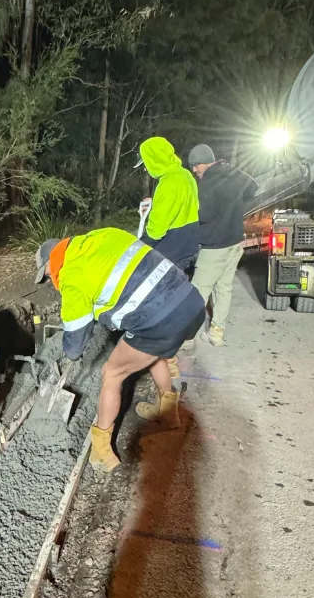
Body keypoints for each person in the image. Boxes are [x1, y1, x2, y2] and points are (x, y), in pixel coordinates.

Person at [34, 230, 206, 473]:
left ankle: (102, 450)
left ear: (52, 262)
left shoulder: (72, 275)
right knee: (152, 351)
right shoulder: (103, 237)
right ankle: (168, 413)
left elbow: (74, 348)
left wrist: (69, 349)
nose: (50, 280)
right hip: (190, 302)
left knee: (112, 372)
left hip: (161, 319)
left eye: (47, 275)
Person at [188, 143, 259, 346]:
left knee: (198, 291)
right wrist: (236, 207)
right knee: (223, 288)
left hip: (214, 246)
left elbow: (204, 214)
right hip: (235, 242)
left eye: (195, 166)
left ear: (203, 163)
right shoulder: (233, 172)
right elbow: (253, 187)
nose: (194, 170)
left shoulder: (208, 182)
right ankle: (217, 333)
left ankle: (186, 338)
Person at [136, 137, 200, 274]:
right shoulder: (185, 174)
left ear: (155, 160)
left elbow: (156, 231)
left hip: (173, 251)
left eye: (146, 164)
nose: (145, 170)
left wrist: (139, 247)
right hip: (190, 245)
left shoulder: (167, 184)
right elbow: (191, 206)